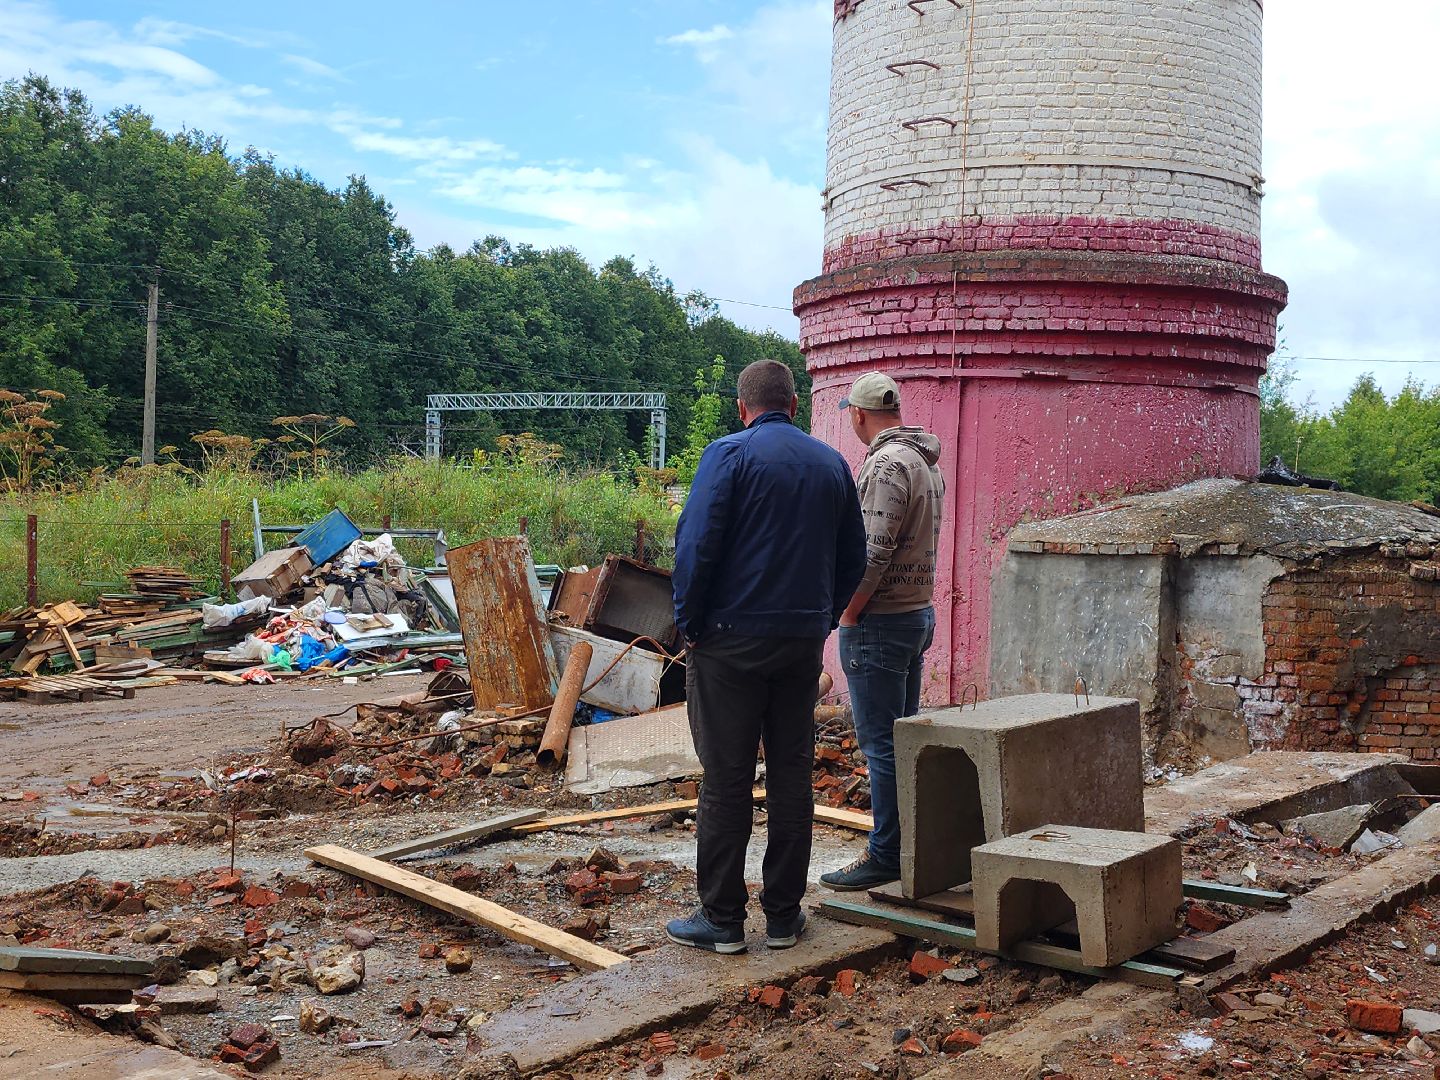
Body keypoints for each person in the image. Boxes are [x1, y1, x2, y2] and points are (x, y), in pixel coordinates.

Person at [668, 359, 867, 954]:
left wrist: (691, 626)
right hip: (798, 644)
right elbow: (853, 558)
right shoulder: (831, 464)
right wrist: (820, 619)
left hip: (729, 643)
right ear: (796, 404)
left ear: (741, 406)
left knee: (726, 779)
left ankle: (723, 920)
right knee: (790, 777)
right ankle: (783, 915)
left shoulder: (728, 456)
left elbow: (696, 546)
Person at [821, 371, 945, 891]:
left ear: (857, 414)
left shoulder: (887, 464)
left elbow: (872, 550)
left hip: (881, 621)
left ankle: (887, 853)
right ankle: (910, 846)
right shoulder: (923, 460)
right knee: (904, 738)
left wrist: (848, 613)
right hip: (915, 614)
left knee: (882, 745)